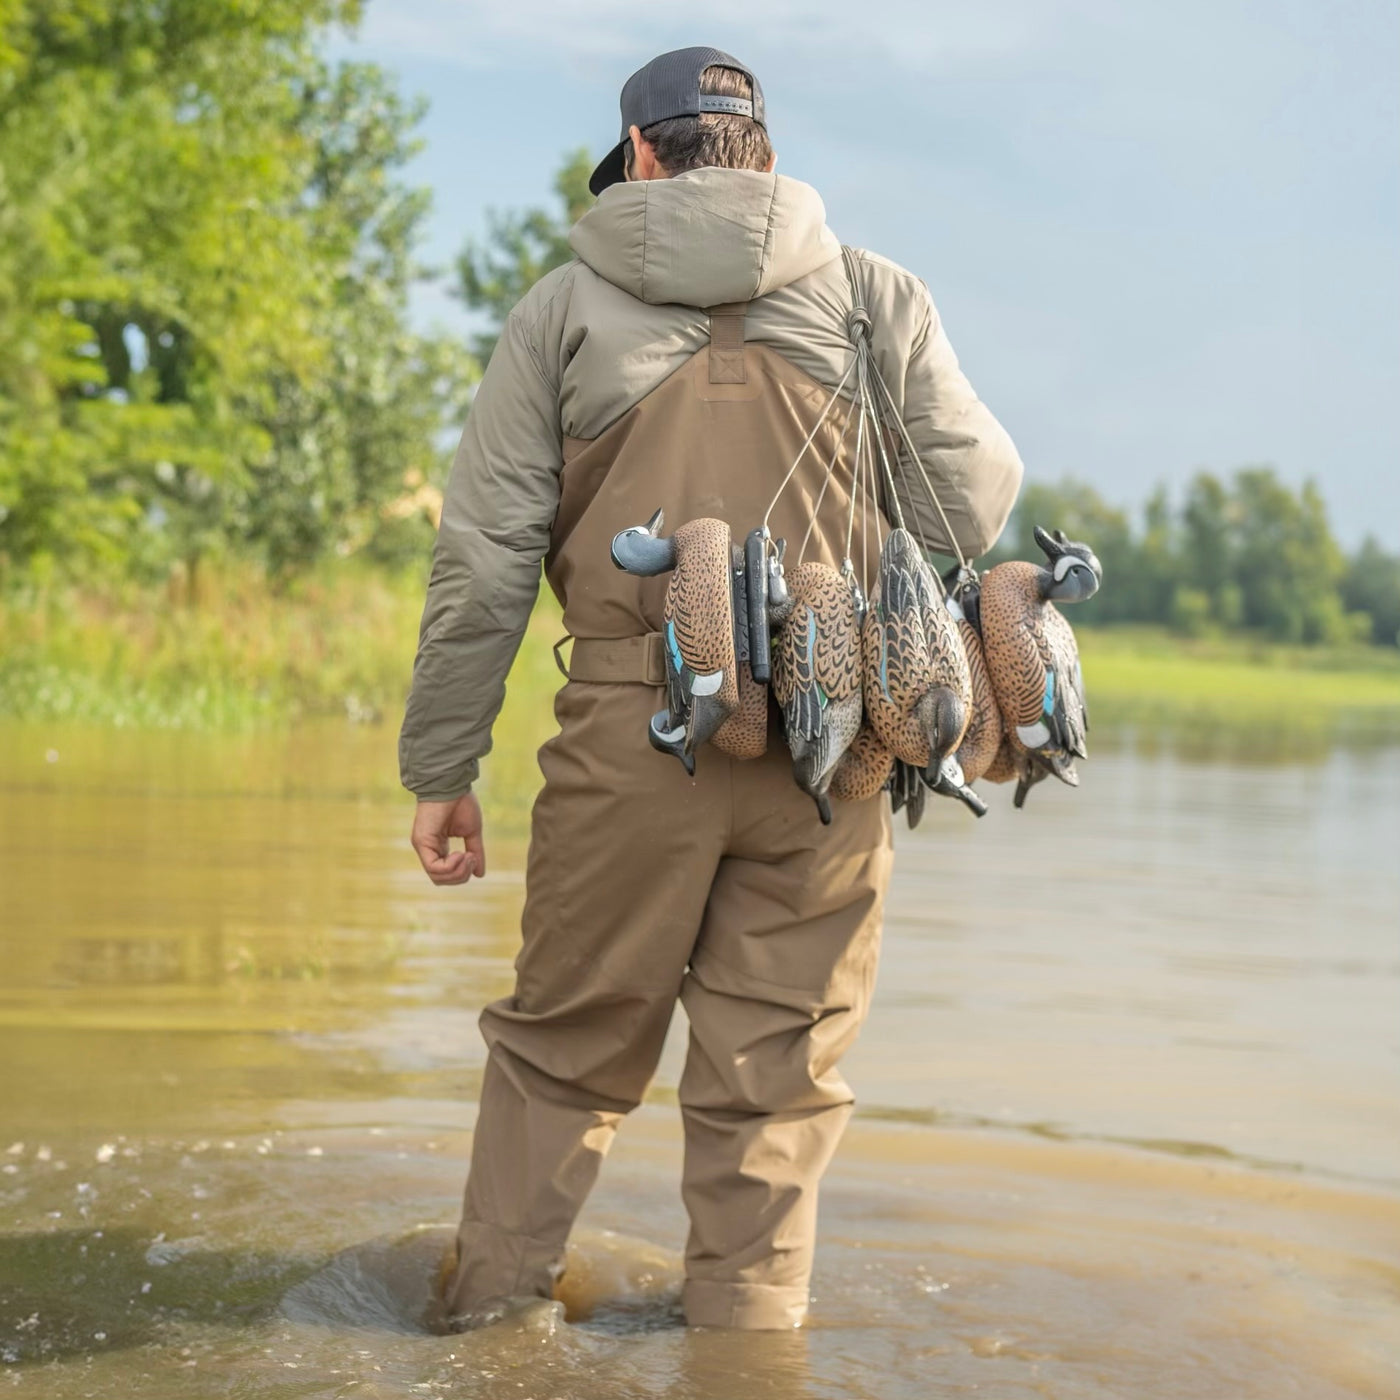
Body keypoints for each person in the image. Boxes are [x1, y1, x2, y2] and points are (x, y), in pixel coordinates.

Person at [399, 45, 1023, 1331]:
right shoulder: (871, 294)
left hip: (630, 738)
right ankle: (745, 1345)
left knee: (562, 1052)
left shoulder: (561, 310)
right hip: (829, 738)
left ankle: (490, 1327)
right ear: (766, 159)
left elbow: (482, 562)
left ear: (637, 158)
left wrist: (440, 768)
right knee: (777, 1082)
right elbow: (967, 501)